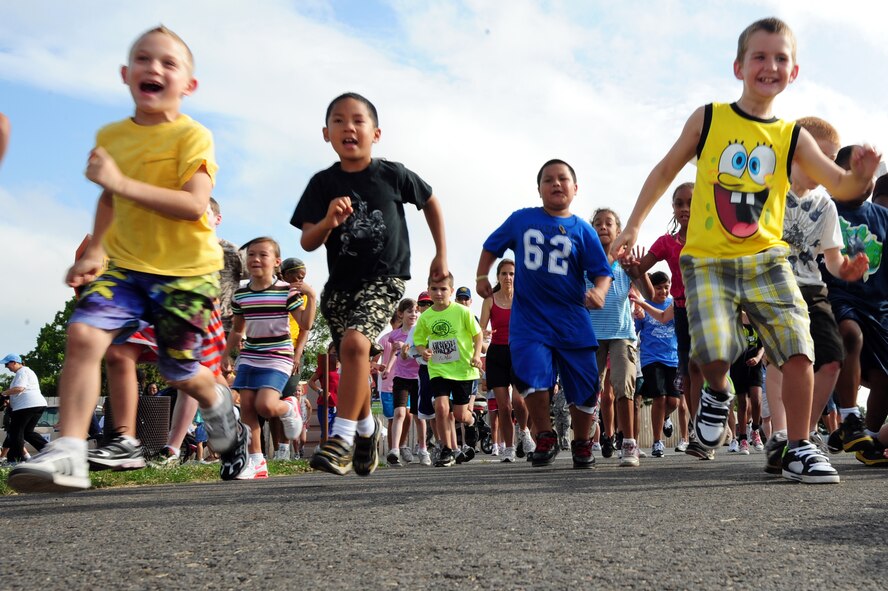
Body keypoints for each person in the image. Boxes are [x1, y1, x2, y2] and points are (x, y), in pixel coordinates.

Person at [610, 17, 881, 484]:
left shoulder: (793, 136)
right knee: (713, 353)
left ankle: (797, 446)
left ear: (793, 72)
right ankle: (717, 391)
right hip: (709, 261)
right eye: (760, 56)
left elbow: (841, 185)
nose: (769, 65)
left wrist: (862, 174)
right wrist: (633, 224)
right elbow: (663, 170)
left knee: (799, 347)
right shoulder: (710, 118)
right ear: (738, 66)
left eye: (780, 58)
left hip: (768, 260)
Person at [9, 26, 248, 493]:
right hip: (128, 267)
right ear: (125, 73)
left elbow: (194, 204)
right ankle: (70, 450)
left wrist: (120, 183)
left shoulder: (192, 137)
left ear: (188, 85)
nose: (153, 68)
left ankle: (220, 406)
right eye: (143, 59)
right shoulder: (116, 136)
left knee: (178, 369)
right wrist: (95, 249)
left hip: (184, 272)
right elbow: (109, 201)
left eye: (168, 63)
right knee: (84, 335)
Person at [291, 92, 448, 477]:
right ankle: (366, 429)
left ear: (375, 133)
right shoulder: (322, 183)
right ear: (326, 133)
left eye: (358, 120)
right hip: (340, 286)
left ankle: (342, 438)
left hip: (385, 277)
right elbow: (307, 240)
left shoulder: (392, 174)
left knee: (357, 344)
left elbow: (430, 200)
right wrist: (328, 220)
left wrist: (440, 253)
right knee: (351, 356)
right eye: (339, 121)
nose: (349, 127)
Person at [476, 159, 613, 469]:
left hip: (572, 320)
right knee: (531, 378)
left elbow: (602, 271)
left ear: (575, 188)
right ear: (538, 189)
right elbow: (491, 246)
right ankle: (545, 435)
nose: (556, 184)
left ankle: (581, 442)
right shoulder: (521, 220)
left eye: (563, 179)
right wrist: (481, 276)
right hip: (530, 321)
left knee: (586, 386)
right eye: (548, 179)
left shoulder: (584, 230)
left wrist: (601, 292)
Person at [764, 117, 869, 472]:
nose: (821, 168)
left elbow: (833, 260)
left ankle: (803, 436)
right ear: (793, 154)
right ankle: (780, 435)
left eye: (829, 161)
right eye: (815, 157)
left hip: (812, 287)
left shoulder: (826, 206)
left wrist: (847, 270)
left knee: (832, 359)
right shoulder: (769, 192)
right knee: (787, 357)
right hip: (775, 286)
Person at [222, 236, 316, 479]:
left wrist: (312, 296)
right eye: (251, 254)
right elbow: (238, 330)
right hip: (251, 354)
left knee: (265, 404)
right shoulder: (241, 295)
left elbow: (305, 324)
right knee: (248, 409)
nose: (255, 259)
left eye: (263, 254)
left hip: (278, 355)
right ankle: (257, 462)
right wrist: (225, 355)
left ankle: (289, 407)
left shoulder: (286, 292)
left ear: (276, 262)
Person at [825, 146, 888, 466]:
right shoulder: (826, 211)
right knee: (850, 335)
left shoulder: (883, 217)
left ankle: (868, 438)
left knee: (885, 377)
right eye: (854, 172)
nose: (863, 180)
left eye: (869, 174)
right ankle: (850, 418)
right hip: (840, 296)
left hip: (879, 305)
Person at [623, 183, 695, 455]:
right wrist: (633, 269)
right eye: (679, 203)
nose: (685, 208)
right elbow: (641, 272)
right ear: (673, 209)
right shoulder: (666, 242)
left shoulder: (713, 238)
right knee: (690, 373)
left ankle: (705, 421)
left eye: (691, 202)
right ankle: (694, 435)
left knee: (709, 367)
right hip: (682, 310)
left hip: (710, 307)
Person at [587, 208, 641, 466]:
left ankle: (628, 443)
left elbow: (650, 294)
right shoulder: (588, 260)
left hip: (621, 334)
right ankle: (585, 442)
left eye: (608, 223)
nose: (602, 227)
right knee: (588, 389)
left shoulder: (626, 262)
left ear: (619, 231)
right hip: (592, 336)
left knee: (623, 386)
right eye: (597, 223)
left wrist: (636, 272)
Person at [412, 273, 483, 467]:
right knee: (441, 407)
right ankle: (447, 449)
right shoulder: (426, 317)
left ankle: (472, 420)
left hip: (463, 370)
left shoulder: (462, 312)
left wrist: (476, 356)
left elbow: (478, 336)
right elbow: (418, 341)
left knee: (460, 415)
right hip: (439, 369)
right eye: (434, 289)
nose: (438, 293)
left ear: (451, 291)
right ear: (428, 290)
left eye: (443, 289)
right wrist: (423, 351)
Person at [478, 259, 534, 463]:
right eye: (504, 274)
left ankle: (525, 432)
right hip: (496, 355)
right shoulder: (489, 300)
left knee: (519, 401)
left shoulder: (523, 298)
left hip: (520, 353)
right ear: (498, 277)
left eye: (512, 274)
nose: (508, 278)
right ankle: (509, 448)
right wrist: (483, 333)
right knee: (503, 406)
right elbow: (480, 331)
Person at [631, 273, 680, 458]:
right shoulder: (644, 306)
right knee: (660, 397)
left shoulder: (673, 304)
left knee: (673, 401)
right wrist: (636, 315)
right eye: (658, 287)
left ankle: (666, 417)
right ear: (651, 288)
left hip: (673, 359)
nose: (663, 291)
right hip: (651, 359)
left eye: (666, 287)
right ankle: (657, 441)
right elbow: (634, 330)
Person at [381, 298, 420, 467]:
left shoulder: (420, 331)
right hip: (398, 379)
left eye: (416, 311)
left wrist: (406, 347)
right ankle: (394, 450)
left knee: (413, 416)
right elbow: (393, 355)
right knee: (397, 415)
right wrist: (387, 368)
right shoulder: (391, 336)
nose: (413, 314)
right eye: (409, 311)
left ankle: (413, 447)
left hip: (417, 377)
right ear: (400, 315)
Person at [1, 354, 48, 464]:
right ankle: (50, 450)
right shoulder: (26, 372)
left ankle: (15, 460)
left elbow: (19, 388)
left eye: (7, 364)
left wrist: (3, 393)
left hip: (26, 406)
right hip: (36, 404)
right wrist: (9, 400)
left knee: (15, 433)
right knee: (27, 432)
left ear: (14, 362)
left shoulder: (22, 372)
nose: (6, 367)